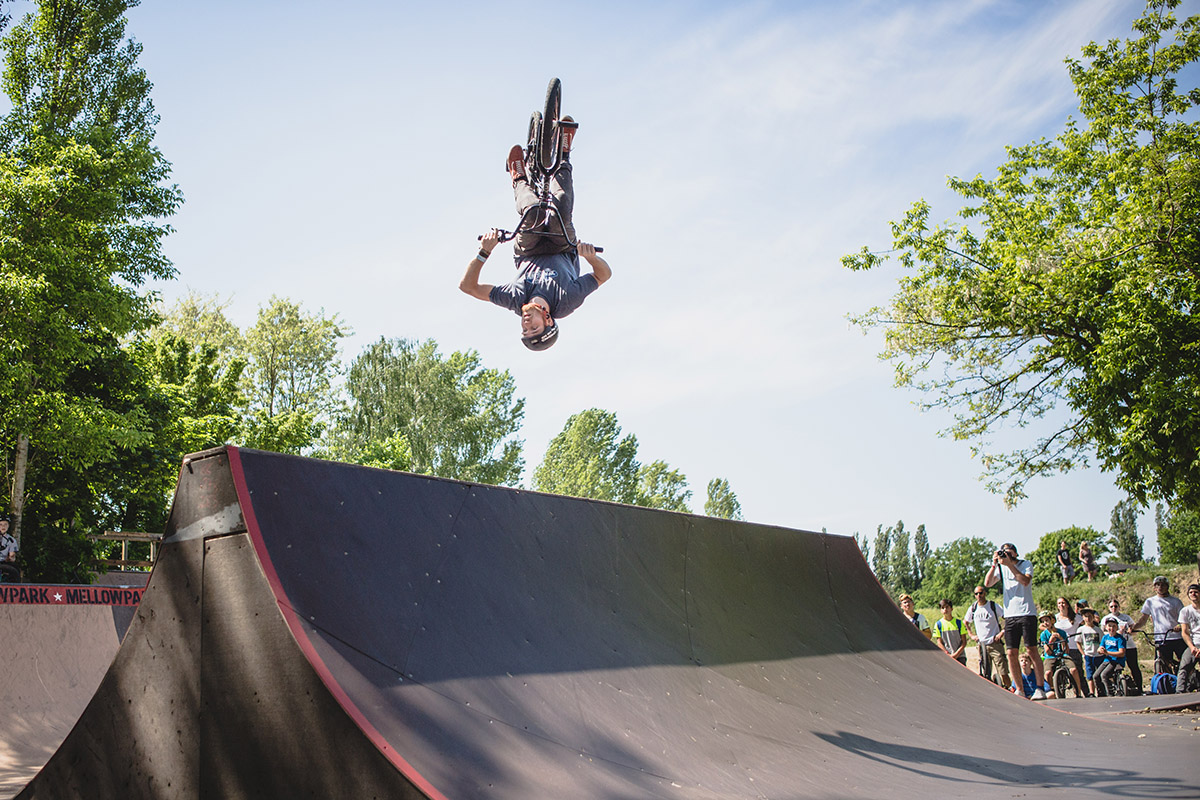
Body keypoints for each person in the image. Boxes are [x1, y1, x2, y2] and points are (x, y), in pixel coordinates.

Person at [460, 129, 612, 351]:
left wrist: (484, 252)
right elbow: (603, 275)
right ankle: (563, 154)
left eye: (525, 330)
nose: (526, 324)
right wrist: (591, 258)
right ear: (548, 320)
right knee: (561, 205)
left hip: (528, 250)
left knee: (533, 213)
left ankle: (519, 177)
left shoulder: (514, 299)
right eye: (534, 328)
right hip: (562, 247)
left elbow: (468, 287)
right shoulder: (566, 301)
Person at [985, 542, 1046, 699]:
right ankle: (1019, 689)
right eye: (1004, 552)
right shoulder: (1002, 567)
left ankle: (1040, 687)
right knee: (1011, 652)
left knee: (1031, 649)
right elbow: (987, 583)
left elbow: (1025, 581)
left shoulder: (1025, 564)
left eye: (1009, 552)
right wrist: (994, 564)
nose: (1006, 555)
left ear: (1016, 553)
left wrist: (1010, 565)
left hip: (1026, 613)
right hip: (1010, 615)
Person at [1132, 575, 1186, 674]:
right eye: (1157, 585)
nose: (1160, 587)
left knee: (1184, 662)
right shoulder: (1150, 602)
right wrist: (1133, 628)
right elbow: (1144, 619)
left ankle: (1187, 679)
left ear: (1167, 587)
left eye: (1163, 585)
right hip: (1161, 638)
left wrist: (1179, 626)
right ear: (1154, 588)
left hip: (1176, 637)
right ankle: (1167, 680)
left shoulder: (1176, 602)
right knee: (1163, 663)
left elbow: (1184, 618)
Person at [965, 585, 1010, 688]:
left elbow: (1007, 619)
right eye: (976, 594)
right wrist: (971, 635)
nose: (979, 595)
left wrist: (1001, 633)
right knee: (985, 673)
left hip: (995, 643)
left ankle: (1009, 689)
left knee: (1003, 671)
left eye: (981, 593)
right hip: (982, 645)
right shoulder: (973, 608)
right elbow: (966, 622)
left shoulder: (993, 606)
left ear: (985, 593)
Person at [1101, 598, 1142, 693]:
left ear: (1119, 607)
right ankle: (1116, 688)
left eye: (1115, 606)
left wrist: (1130, 630)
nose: (1114, 608)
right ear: (1108, 608)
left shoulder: (1126, 617)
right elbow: (1102, 632)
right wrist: (1115, 633)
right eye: (1111, 606)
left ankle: (1139, 688)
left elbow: (1134, 630)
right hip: (1114, 647)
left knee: (1134, 667)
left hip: (1129, 646)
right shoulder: (1105, 619)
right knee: (1114, 668)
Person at [1054, 596, 1089, 697]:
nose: (1061, 605)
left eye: (1063, 603)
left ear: (1067, 605)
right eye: (1059, 603)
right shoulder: (1056, 618)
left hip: (1073, 646)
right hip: (1060, 647)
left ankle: (1086, 693)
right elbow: (1044, 625)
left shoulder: (1075, 617)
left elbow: (1086, 623)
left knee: (1078, 671)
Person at [1094, 616, 1127, 696]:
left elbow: (1122, 653)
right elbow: (1100, 648)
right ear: (1106, 627)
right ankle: (1101, 693)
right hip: (1107, 660)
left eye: (1114, 626)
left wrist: (1107, 653)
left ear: (1117, 627)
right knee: (1095, 676)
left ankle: (1110, 693)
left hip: (1116, 660)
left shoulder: (1120, 639)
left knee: (1104, 675)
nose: (1111, 628)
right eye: (1109, 626)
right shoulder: (1105, 637)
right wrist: (1100, 650)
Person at [1176, 583, 1200, 693]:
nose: (1193, 594)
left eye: (1196, 592)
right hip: (1194, 644)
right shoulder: (1185, 611)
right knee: (1184, 667)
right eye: (1191, 592)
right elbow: (1185, 632)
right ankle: (1179, 692)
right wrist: (1192, 647)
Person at [1038, 612, 1069, 696]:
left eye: (1047, 620)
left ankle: (1077, 691)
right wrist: (1051, 641)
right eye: (1043, 621)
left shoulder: (1061, 632)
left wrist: (1061, 638)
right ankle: (1051, 690)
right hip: (1050, 656)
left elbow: (1066, 650)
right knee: (1047, 672)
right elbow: (1048, 652)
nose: (1045, 623)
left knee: (1073, 669)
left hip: (1062, 655)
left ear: (1052, 621)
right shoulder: (1043, 635)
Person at [1075, 608, 1103, 697]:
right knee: (1090, 674)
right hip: (1088, 654)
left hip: (1098, 655)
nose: (1088, 618)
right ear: (1083, 618)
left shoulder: (1098, 630)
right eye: (1086, 617)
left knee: (1099, 673)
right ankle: (1092, 692)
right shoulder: (1081, 629)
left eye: (1090, 616)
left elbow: (1102, 642)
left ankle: (1101, 691)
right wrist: (1083, 653)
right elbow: (1078, 642)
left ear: (1093, 617)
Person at [932, 600, 968, 665]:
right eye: (942, 608)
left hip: (960, 656)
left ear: (951, 609)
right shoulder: (938, 624)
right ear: (940, 610)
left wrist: (956, 654)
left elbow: (964, 642)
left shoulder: (959, 623)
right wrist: (947, 654)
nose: (945, 609)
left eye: (947, 607)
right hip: (947, 657)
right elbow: (939, 642)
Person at [0, 517, 18, 583]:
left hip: (4, 562)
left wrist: (11, 557)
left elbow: (12, 555)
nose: (3, 527)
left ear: (8, 526)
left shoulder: (11, 540)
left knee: (15, 571)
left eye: (5, 524)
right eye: (1, 524)